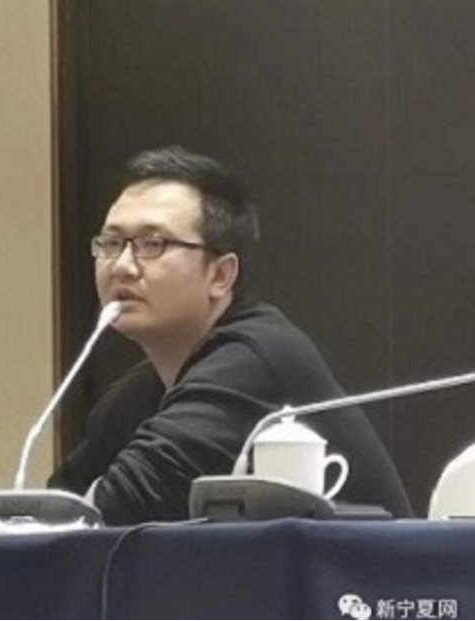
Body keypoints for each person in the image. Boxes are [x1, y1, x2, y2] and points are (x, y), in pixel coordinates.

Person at [47, 145, 413, 525]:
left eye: (152, 244)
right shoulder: (132, 398)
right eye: (111, 244)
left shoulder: (256, 359)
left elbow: (121, 503)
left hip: (366, 566)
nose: (122, 266)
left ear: (221, 275)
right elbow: (49, 516)